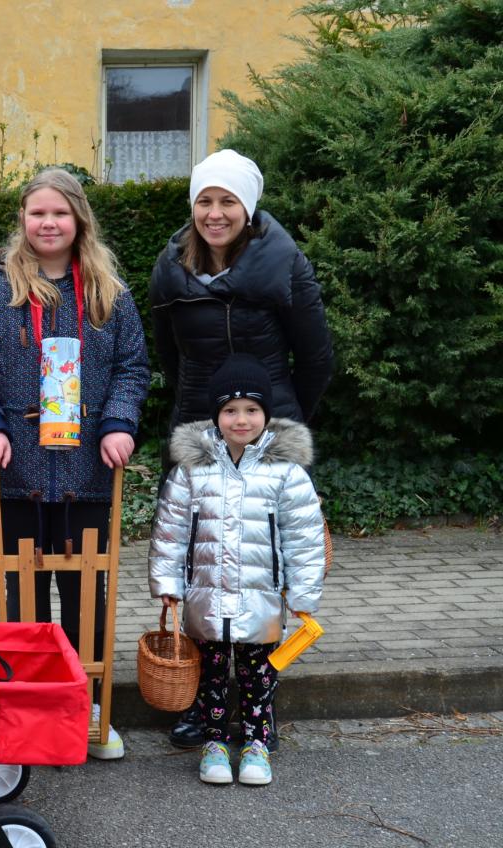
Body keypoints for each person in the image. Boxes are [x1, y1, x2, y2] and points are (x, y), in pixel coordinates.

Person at [149, 149, 333, 748]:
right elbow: (169, 356)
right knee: (197, 565)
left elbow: (316, 357)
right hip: (198, 435)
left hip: (268, 436)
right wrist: (196, 410)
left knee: (262, 571)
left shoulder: (284, 264)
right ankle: (201, 704)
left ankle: (257, 709)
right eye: (204, 200)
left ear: (248, 208)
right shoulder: (170, 269)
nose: (215, 213)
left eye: (228, 201)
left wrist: (282, 424)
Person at [0, 167, 150, 760]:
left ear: (79, 220)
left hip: (85, 472)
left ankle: (87, 706)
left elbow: (132, 367)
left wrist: (118, 422)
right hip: (17, 471)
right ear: (22, 218)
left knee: (84, 593)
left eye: (60, 213)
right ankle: (26, 708)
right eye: (37, 212)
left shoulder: (108, 293)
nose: (48, 223)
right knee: (23, 597)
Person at [149, 354, 326, 786]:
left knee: (258, 677)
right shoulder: (192, 468)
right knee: (209, 675)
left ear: (266, 414)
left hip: (262, 596)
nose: (241, 420)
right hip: (204, 595)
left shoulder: (286, 471)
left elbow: (304, 536)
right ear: (216, 414)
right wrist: (168, 583)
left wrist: (303, 593)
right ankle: (213, 742)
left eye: (251, 409)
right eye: (230, 410)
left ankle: (256, 744)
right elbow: (170, 530)